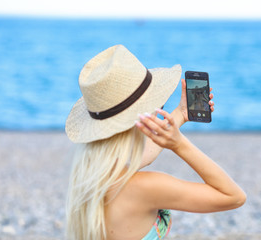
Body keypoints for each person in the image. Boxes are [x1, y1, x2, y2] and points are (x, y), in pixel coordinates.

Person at [65, 45, 246, 240]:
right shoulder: (146, 187)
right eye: (156, 106)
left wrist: (180, 115)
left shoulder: (89, 175)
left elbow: (139, 157)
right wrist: (179, 145)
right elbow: (233, 197)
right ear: (141, 121)